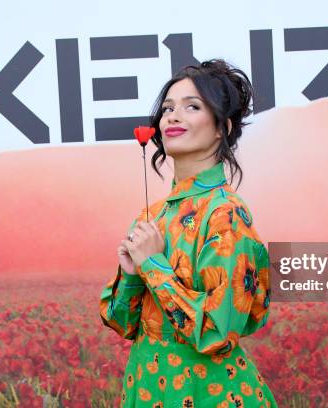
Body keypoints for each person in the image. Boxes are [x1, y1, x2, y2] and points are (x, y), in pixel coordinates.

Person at [99, 59, 277, 407]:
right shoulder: (153, 215)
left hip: (206, 393)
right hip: (147, 388)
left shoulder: (226, 214)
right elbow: (121, 322)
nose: (172, 117)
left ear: (220, 129)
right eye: (167, 109)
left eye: (191, 107)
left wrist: (153, 264)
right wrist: (134, 274)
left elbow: (217, 331)